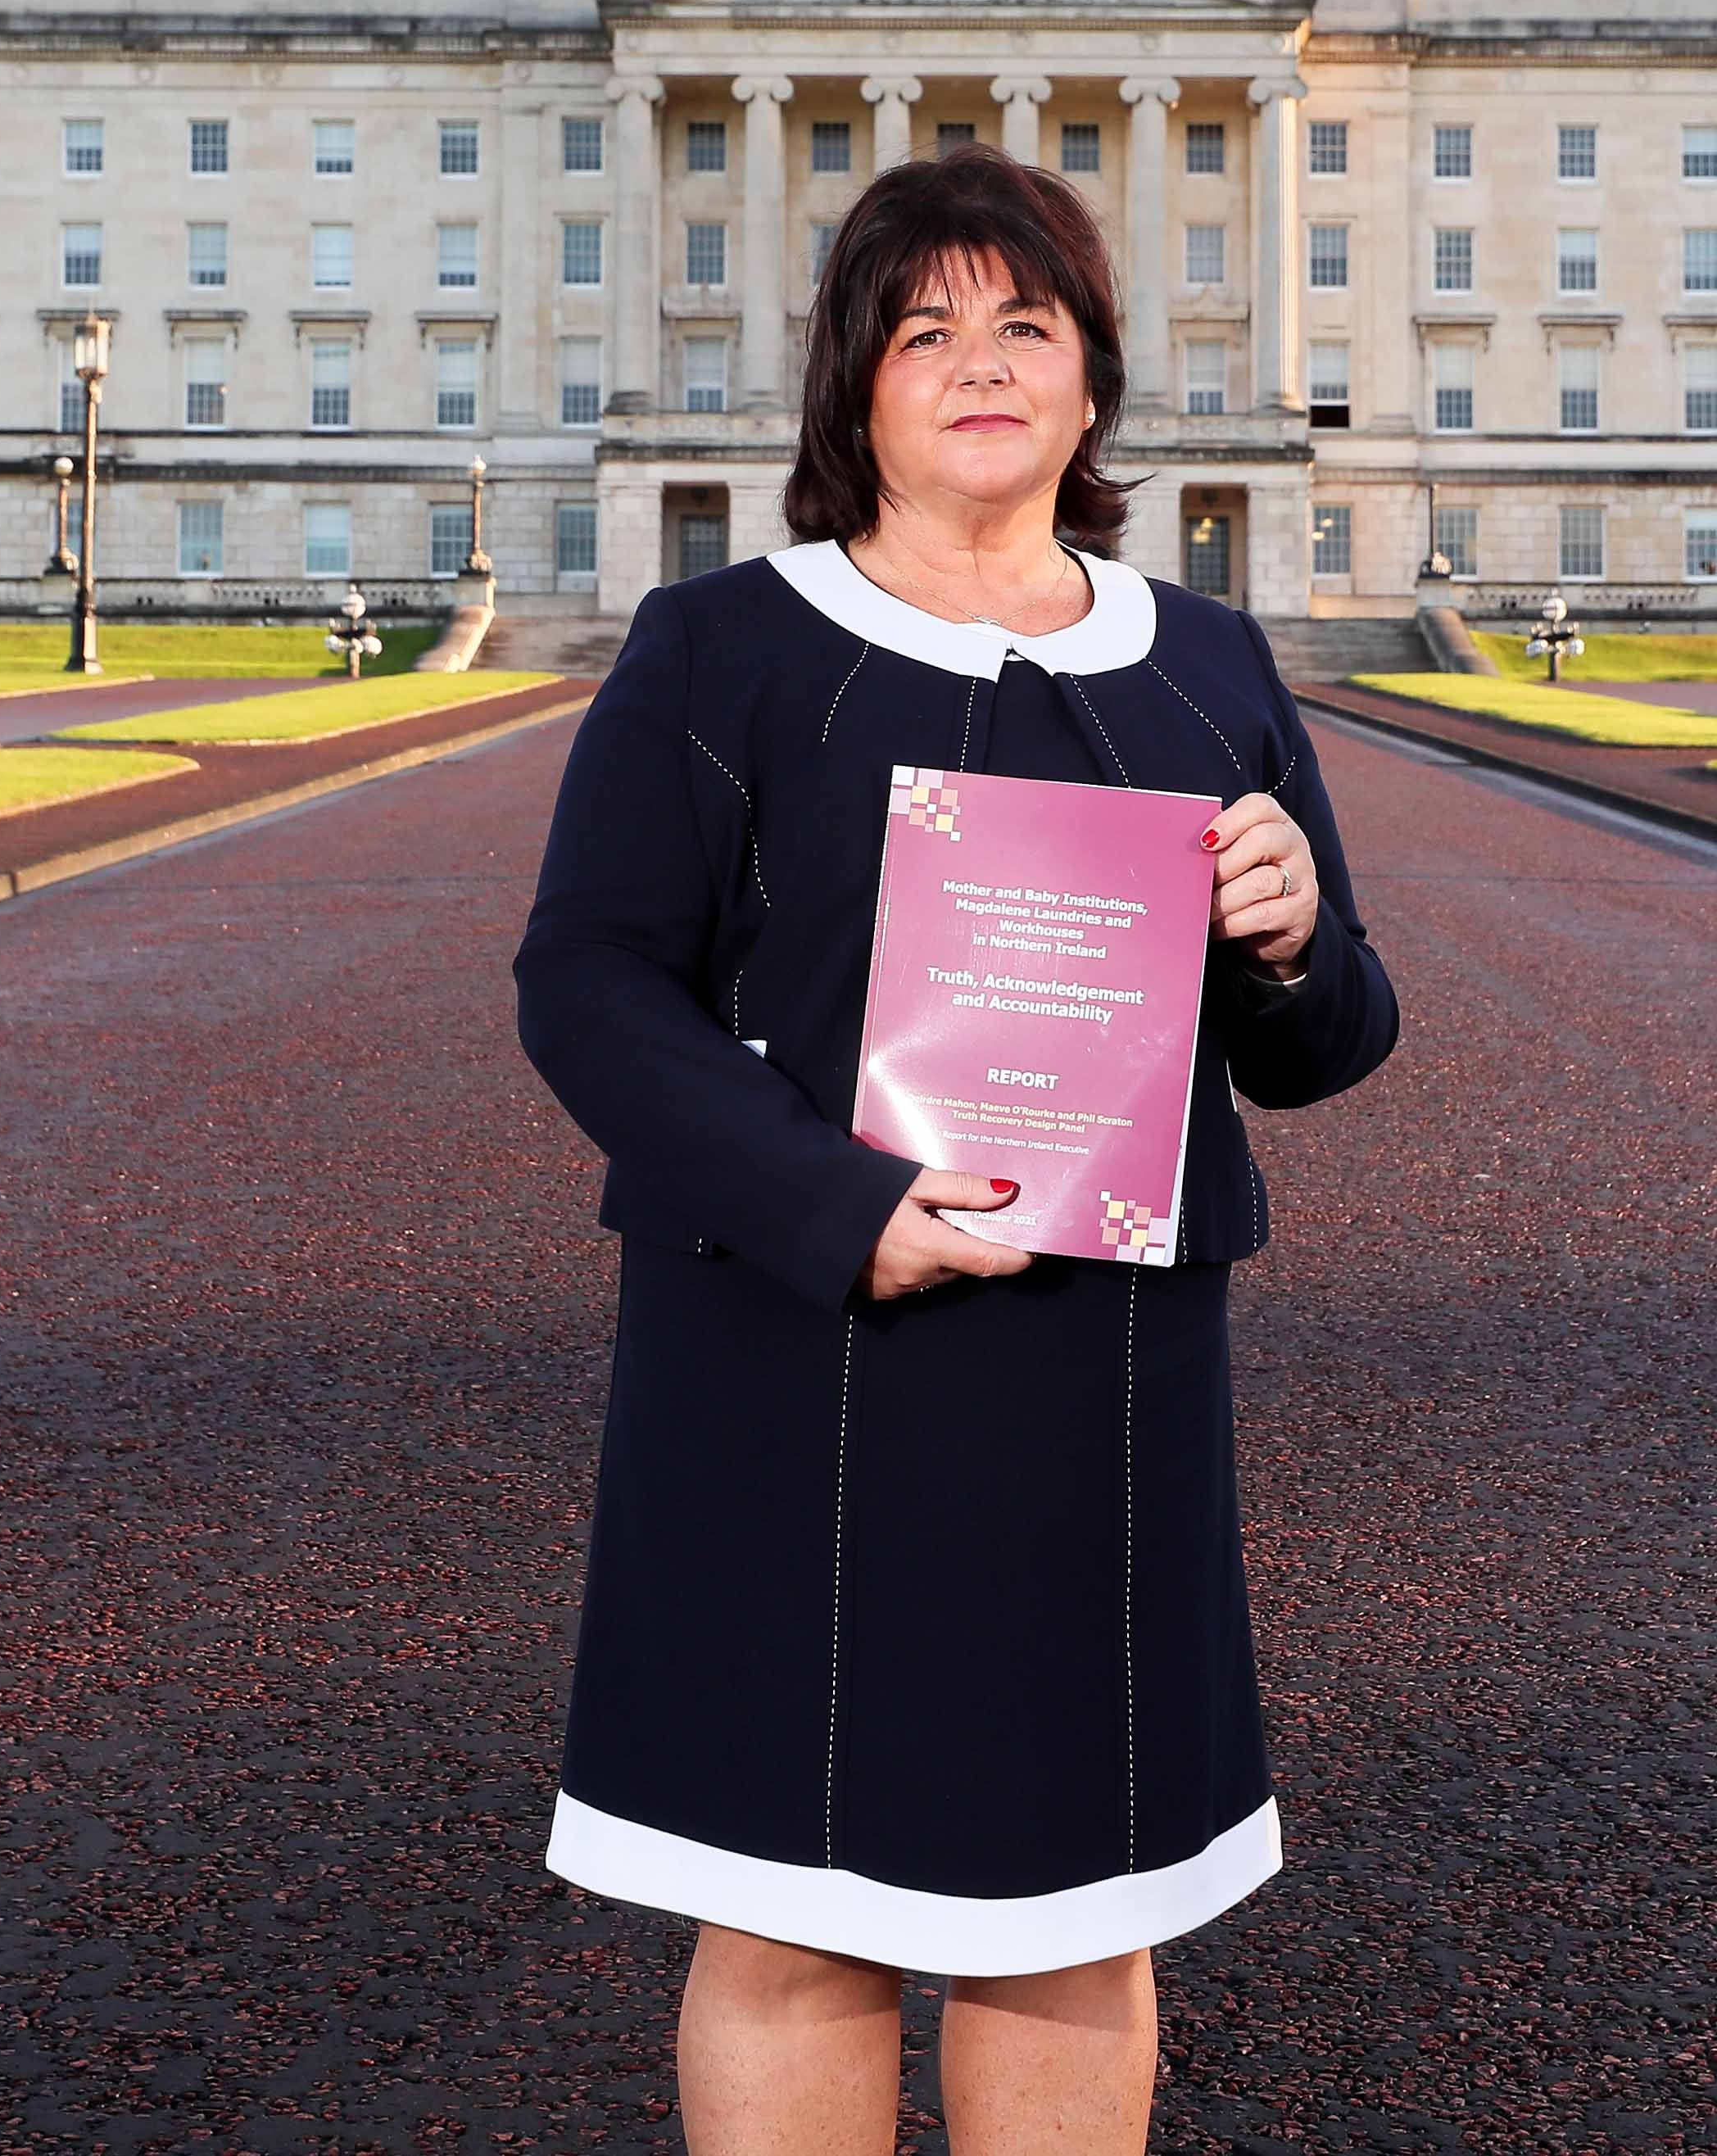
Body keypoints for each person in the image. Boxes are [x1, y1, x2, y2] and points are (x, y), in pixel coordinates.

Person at [514, 147, 1400, 2154]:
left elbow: (1330, 1039)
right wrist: (838, 1208)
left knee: (1074, 1919)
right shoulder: (720, 642)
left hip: (1104, 1375)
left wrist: (1288, 933)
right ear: (854, 388)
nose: (979, 362)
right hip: (785, 1348)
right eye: (925, 329)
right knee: (791, 1917)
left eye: (1027, 323)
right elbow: (587, 981)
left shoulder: (1209, 667)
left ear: (1093, 380)